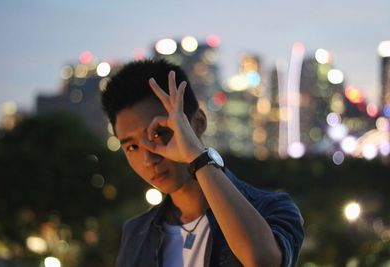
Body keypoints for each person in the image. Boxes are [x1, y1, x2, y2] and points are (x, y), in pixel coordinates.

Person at [101, 59, 304, 267]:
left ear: (198, 123)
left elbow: (263, 261)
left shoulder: (270, 208)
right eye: (132, 147)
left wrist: (196, 156)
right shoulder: (136, 232)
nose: (149, 158)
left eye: (160, 132)